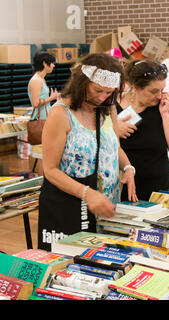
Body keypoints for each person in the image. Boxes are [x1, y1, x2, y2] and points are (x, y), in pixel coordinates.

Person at [38, 53, 137, 251]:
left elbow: (114, 147)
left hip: (107, 208)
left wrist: (127, 167)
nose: (102, 97)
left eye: (109, 92)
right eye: (98, 90)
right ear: (82, 82)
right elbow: (49, 169)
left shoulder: (108, 109)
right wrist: (87, 194)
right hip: (73, 207)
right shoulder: (60, 114)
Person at [116, 59, 169, 201]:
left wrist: (165, 114)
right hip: (121, 185)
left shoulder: (163, 106)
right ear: (135, 87)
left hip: (157, 188)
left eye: (162, 89)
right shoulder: (113, 108)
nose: (159, 95)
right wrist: (113, 129)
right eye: (153, 91)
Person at [28, 51, 60, 121]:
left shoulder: (41, 79)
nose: (53, 65)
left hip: (45, 118)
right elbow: (35, 103)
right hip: (40, 120)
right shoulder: (36, 81)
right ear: (44, 63)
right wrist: (51, 98)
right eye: (52, 63)